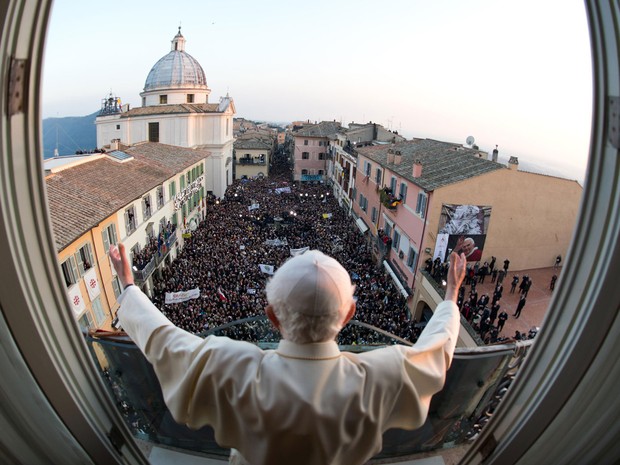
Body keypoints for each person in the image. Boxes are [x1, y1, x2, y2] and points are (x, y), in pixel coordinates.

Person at [110, 244, 467, 465]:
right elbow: (435, 353)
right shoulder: (383, 375)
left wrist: (129, 287)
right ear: (349, 315)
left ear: (272, 316)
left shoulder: (230, 367)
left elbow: (163, 339)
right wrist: (449, 297)